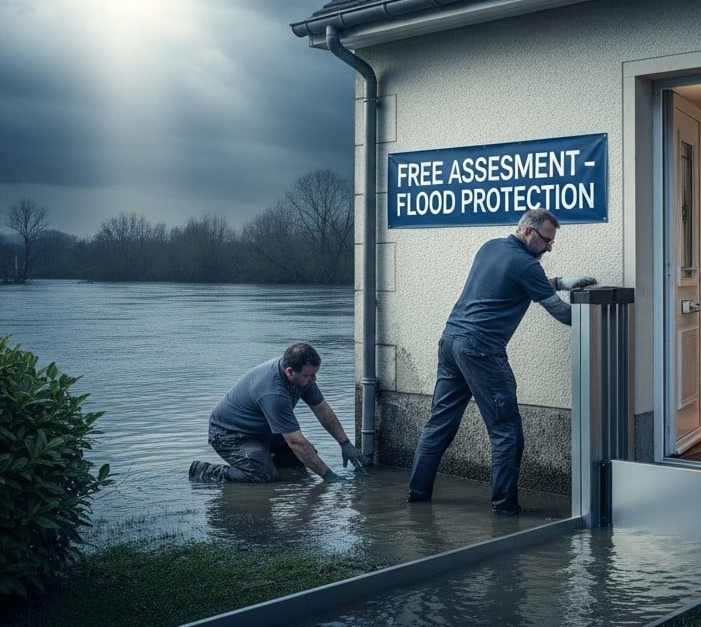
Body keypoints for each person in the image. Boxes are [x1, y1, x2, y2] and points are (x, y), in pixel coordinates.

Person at [407, 207, 598, 514]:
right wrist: (598, 313)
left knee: (439, 424)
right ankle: (505, 508)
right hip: (482, 350)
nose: (549, 247)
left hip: (451, 341)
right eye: (547, 240)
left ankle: (417, 496)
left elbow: (517, 279)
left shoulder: (491, 247)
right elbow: (562, 314)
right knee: (506, 430)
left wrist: (561, 281)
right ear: (528, 231)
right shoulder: (526, 265)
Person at [189, 342, 367, 483]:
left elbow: (322, 409)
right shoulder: (274, 392)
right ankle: (205, 471)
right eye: (309, 375)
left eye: (315, 374)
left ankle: (265, 461)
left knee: (302, 459)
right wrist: (329, 478)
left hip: (263, 431)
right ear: (289, 371)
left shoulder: (301, 378)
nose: (314, 379)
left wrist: (345, 443)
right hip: (230, 435)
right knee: (264, 476)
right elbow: (296, 443)